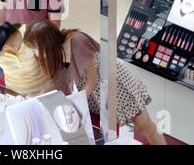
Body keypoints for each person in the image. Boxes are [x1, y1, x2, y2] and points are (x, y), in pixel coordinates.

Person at [23, 19, 167, 145]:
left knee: (144, 126)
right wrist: (37, 97)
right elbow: (56, 82)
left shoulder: (77, 41)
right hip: (93, 96)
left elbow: (92, 80)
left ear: (46, 43)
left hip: (114, 84)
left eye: (35, 48)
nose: (34, 52)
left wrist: (76, 104)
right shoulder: (53, 56)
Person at [0, 22, 54, 96]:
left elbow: (56, 69)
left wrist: (40, 95)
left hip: (43, 93)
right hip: (13, 96)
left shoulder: (32, 37)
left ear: (4, 48)